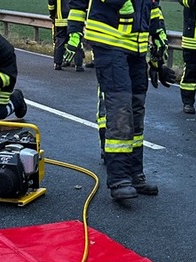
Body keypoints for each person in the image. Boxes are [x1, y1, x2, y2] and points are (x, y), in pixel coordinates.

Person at [67, 0, 176, 200]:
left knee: (136, 109)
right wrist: (74, 33)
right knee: (120, 108)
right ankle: (119, 178)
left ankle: (135, 173)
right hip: (109, 42)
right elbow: (78, 4)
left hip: (136, 47)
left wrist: (158, 35)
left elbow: (152, 7)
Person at [49, 0, 85, 71]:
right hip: (74, 18)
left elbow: (51, 2)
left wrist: (52, 14)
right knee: (76, 40)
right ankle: (78, 65)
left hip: (60, 19)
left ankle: (58, 64)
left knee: (60, 41)